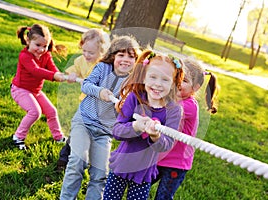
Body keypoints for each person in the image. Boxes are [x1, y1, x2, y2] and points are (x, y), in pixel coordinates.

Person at [60, 35, 140, 200]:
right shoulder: (102, 68)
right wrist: (100, 92)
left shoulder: (133, 82)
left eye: (131, 56)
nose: (125, 60)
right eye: (121, 55)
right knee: (77, 162)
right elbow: (87, 84)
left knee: (100, 174)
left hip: (104, 132)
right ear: (113, 56)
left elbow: (133, 108)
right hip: (84, 121)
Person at [103, 50, 184, 200]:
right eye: (153, 77)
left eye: (165, 80)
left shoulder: (174, 110)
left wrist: (155, 136)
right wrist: (136, 127)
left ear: (173, 84)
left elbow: (166, 145)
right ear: (144, 77)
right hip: (121, 165)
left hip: (144, 172)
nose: (158, 84)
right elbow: (117, 131)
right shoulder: (135, 97)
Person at [153, 57, 219, 200]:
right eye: (176, 77)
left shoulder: (189, 106)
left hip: (176, 163)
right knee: (140, 185)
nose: (177, 83)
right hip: (161, 156)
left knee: (163, 197)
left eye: (184, 80)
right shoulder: (170, 98)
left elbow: (162, 112)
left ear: (195, 87)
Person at [56, 28, 110, 171]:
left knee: (93, 135)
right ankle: (64, 157)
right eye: (84, 50)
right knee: (77, 131)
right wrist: (72, 75)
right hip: (85, 104)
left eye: (91, 53)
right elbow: (74, 71)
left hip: (99, 108)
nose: (86, 54)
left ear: (102, 52)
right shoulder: (81, 60)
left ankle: (86, 160)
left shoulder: (104, 66)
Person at [11, 24, 67, 150]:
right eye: (37, 45)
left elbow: (52, 67)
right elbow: (35, 71)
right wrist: (54, 76)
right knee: (35, 112)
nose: (41, 49)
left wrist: (59, 75)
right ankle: (18, 137)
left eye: (45, 46)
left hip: (35, 91)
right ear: (28, 41)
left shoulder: (46, 55)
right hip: (20, 89)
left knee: (52, 112)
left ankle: (58, 137)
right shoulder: (24, 56)